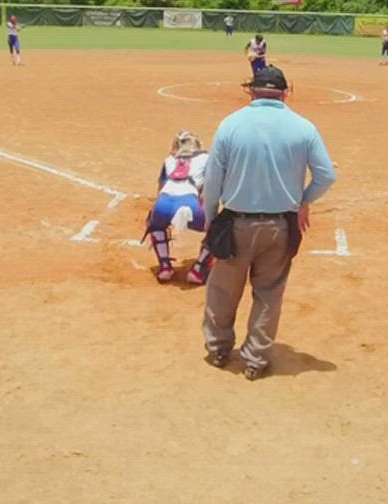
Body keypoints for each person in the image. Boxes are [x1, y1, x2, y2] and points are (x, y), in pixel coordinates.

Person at [201, 66, 337, 380]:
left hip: (235, 224)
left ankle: (219, 349)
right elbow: (327, 175)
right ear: (285, 93)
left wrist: (210, 218)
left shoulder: (230, 124)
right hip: (281, 226)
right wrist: (303, 201)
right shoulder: (304, 128)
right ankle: (256, 359)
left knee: (222, 291)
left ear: (251, 90)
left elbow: (213, 180)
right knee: (268, 293)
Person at [143, 130, 214, 285]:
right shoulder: (206, 158)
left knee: (155, 224)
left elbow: (160, 189)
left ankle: (165, 268)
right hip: (190, 203)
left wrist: (159, 215)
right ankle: (197, 271)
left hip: (163, 202)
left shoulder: (169, 159)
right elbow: (209, 190)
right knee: (219, 230)